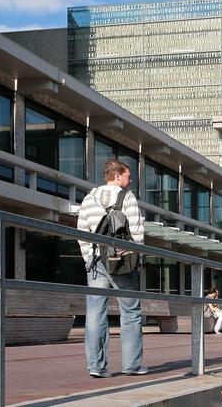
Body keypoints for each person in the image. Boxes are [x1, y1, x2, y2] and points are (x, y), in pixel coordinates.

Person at [77, 159, 147, 378]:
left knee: (95, 313)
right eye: (127, 175)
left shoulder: (88, 199)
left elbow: (82, 231)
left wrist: (90, 257)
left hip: (97, 261)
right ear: (117, 176)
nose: (130, 179)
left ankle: (96, 367)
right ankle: (132, 366)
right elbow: (136, 233)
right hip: (123, 261)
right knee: (131, 312)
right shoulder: (127, 197)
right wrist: (137, 259)